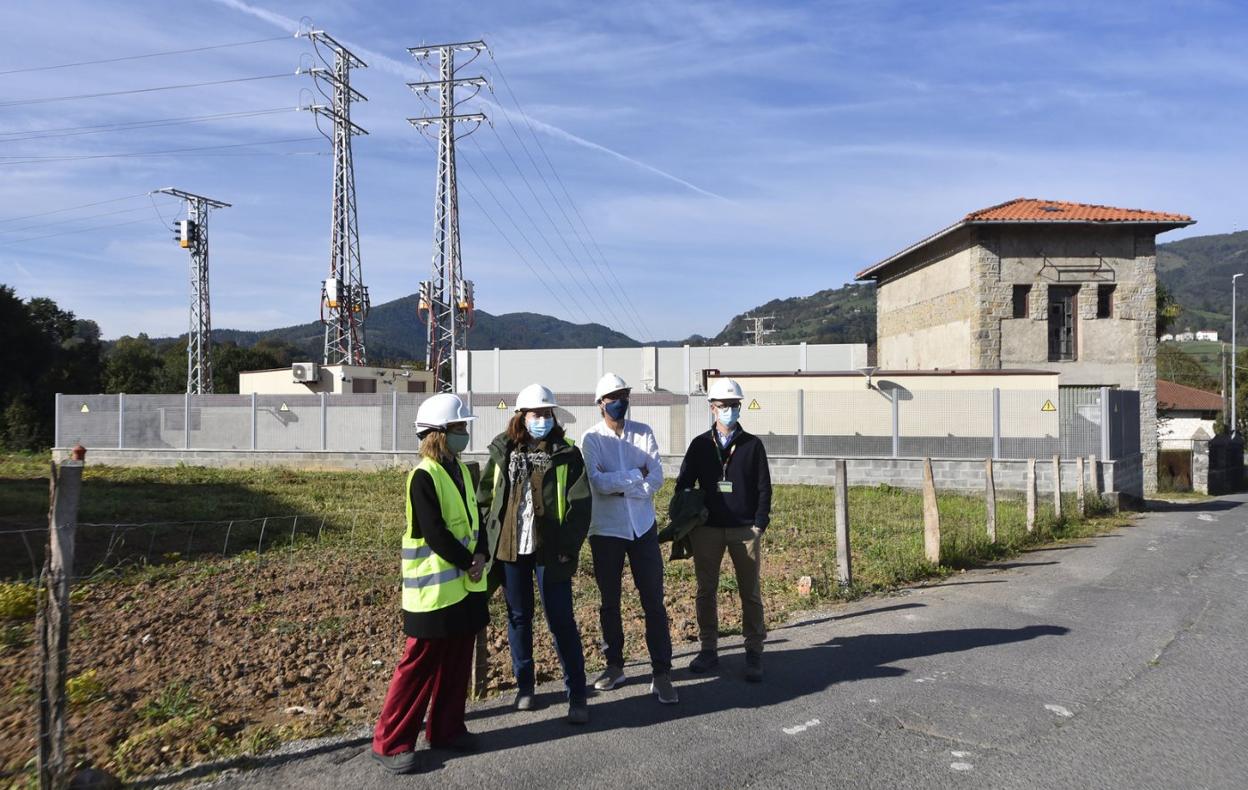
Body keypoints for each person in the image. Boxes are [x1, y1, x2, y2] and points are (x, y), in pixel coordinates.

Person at [371, 393, 488, 775]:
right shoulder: (423, 476)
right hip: (433, 593)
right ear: (437, 433)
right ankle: (389, 743)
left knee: (456, 663)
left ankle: (447, 729)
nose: (464, 434)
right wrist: (468, 560)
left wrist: (481, 554)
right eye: (458, 428)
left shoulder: (461, 471)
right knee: (417, 667)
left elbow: (476, 520)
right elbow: (435, 532)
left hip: (465, 588)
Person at [478, 383, 592, 724]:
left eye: (547, 413)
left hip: (551, 551)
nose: (542, 418)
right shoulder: (503, 451)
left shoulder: (567, 453)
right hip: (512, 549)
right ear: (521, 417)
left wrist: (567, 548)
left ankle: (577, 695)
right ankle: (525, 687)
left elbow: (581, 506)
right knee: (518, 617)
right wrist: (490, 540)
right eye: (535, 413)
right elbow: (486, 498)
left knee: (561, 621)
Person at [580, 372, 678, 704]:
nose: (619, 402)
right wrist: (636, 476)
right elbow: (596, 482)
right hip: (606, 530)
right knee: (610, 601)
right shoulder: (591, 440)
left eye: (623, 395)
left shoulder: (644, 433)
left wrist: (623, 484)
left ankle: (662, 672)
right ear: (600, 404)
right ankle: (614, 666)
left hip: (643, 527)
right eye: (613, 397)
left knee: (653, 599)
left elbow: (659, 477)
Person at [674, 377, 773, 682]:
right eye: (724, 405)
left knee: (750, 593)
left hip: (745, 530)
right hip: (707, 530)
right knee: (706, 591)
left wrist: (758, 523)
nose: (730, 410)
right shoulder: (700, 445)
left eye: (734, 405)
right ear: (712, 408)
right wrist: (693, 515)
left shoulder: (753, 445)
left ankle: (754, 650)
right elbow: (683, 485)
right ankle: (708, 649)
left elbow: (764, 488)